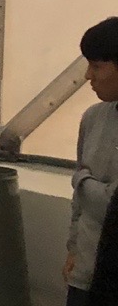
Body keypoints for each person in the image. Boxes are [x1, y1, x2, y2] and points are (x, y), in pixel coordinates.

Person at [68, 17, 118, 305]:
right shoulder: (93, 117)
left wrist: (81, 179)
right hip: (84, 270)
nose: (89, 76)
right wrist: (73, 248)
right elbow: (80, 204)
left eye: (97, 66)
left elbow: (111, 207)